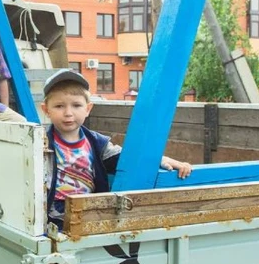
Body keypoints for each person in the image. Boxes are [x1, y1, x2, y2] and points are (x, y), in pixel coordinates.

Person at [42, 69, 192, 230]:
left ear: (88, 108)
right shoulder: (40, 143)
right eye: (59, 106)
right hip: (52, 216)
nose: (68, 113)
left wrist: (161, 159)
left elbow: (127, 159)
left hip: (89, 211)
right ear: (46, 110)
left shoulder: (97, 143)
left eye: (76, 105)